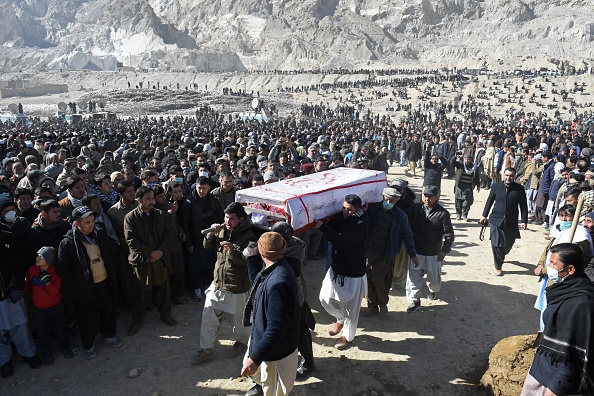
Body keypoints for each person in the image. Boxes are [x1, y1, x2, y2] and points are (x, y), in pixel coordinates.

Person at [520, 243, 594, 396]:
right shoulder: (565, 290)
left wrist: (554, 390)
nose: (549, 267)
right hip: (543, 367)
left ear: (570, 270)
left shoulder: (580, 304)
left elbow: (571, 357)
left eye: (554, 263)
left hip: (555, 382)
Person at [191, 202, 256, 365]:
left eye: (231, 219)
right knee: (208, 317)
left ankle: (242, 342)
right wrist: (211, 235)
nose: (227, 221)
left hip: (238, 286)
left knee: (241, 320)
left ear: (241, 219)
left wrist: (233, 252)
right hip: (218, 283)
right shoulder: (222, 230)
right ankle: (206, 350)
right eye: (226, 217)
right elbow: (207, 246)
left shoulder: (250, 237)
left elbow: (250, 261)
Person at [57, 206, 122, 360]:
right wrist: (77, 287)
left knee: (108, 310)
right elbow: (63, 270)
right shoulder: (68, 243)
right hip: (85, 287)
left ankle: (110, 335)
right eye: (87, 222)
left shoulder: (98, 234)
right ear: (77, 223)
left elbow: (108, 254)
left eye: (92, 221)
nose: (91, 224)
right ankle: (88, 344)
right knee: (87, 318)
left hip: (104, 280)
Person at [241, 232, 300, 396]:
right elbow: (259, 287)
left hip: (277, 352)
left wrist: (255, 359)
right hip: (269, 344)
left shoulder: (278, 283)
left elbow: (276, 328)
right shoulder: (276, 269)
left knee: (275, 392)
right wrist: (252, 260)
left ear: (261, 252)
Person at [314, 194, 368, 350]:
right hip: (337, 268)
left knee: (352, 307)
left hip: (353, 272)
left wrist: (323, 227)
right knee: (324, 297)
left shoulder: (360, 224)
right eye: (344, 208)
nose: (346, 212)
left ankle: (347, 336)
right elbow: (337, 223)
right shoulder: (345, 218)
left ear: (357, 210)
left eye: (349, 210)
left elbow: (341, 242)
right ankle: (340, 318)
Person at [124, 186, 177, 336]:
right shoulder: (131, 218)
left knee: (163, 289)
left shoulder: (161, 215)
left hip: (160, 259)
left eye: (152, 198)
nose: (151, 201)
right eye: (148, 199)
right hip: (142, 261)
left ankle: (165, 313)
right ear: (139, 200)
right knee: (140, 293)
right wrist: (150, 253)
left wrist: (160, 252)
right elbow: (131, 241)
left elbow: (169, 235)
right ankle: (138, 320)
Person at [362, 187, 418, 316]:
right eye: (386, 199)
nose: (388, 202)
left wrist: (412, 254)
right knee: (368, 280)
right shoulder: (372, 210)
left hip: (385, 255)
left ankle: (382, 304)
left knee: (380, 281)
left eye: (391, 201)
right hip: (369, 252)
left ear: (396, 202)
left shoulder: (400, 216)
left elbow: (407, 235)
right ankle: (372, 306)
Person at [405, 185, 454, 312]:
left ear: (436, 198)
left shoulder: (443, 214)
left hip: (433, 253)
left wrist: (444, 250)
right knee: (413, 279)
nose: (427, 199)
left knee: (434, 280)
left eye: (431, 197)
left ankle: (433, 290)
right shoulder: (415, 209)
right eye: (425, 196)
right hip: (416, 252)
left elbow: (449, 235)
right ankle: (414, 301)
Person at [24, 247, 75, 366]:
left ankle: (65, 348)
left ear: (48, 260)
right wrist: (23, 289)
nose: (37, 258)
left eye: (41, 256)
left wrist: (47, 283)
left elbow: (56, 292)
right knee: (43, 332)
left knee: (60, 329)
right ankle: (46, 354)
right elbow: (27, 283)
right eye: (37, 255)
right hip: (40, 308)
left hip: (55, 306)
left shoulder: (55, 274)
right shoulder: (32, 270)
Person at [480, 167, 529, 276]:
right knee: (496, 244)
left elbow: (524, 206)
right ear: (503, 175)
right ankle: (498, 266)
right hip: (496, 219)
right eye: (506, 175)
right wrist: (484, 215)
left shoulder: (519, 189)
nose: (508, 178)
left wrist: (524, 220)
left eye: (511, 176)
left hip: (511, 221)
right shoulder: (496, 187)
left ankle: (501, 255)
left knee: (508, 245)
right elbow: (489, 201)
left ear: (515, 176)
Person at [452, 153, 481, 221]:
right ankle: (458, 214)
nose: (467, 160)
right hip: (459, 186)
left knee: (469, 201)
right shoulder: (460, 165)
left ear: (470, 160)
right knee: (458, 201)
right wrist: (455, 156)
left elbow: (477, 177)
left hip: (468, 186)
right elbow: (452, 162)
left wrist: (478, 186)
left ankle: (465, 214)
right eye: (465, 159)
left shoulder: (474, 167)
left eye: (468, 159)